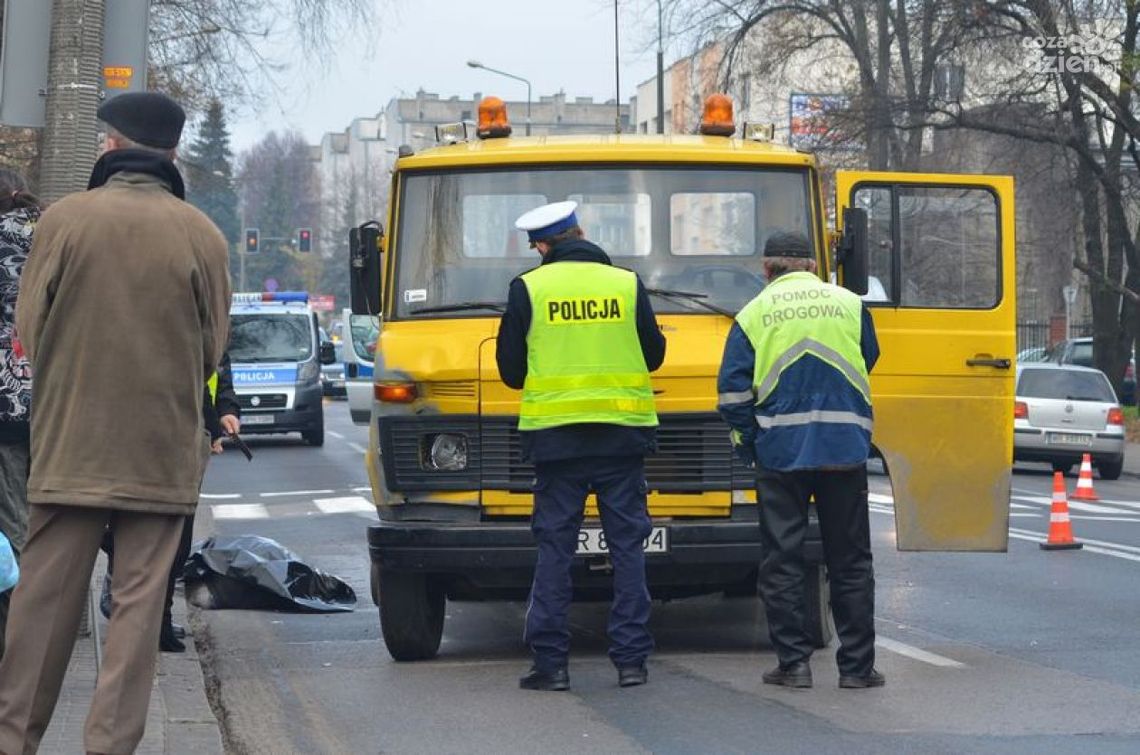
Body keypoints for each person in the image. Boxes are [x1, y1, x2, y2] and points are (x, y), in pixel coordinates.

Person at [0, 92, 231, 753]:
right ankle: (108, 746)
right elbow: (214, 344)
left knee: (44, 603)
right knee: (135, 609)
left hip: (71, 438)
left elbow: (29, 329)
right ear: (172, 154)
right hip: (161, 450)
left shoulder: (65, 221)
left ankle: (14, 737)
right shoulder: (202, 235)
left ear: (110, 145)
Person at [496, 201, 666, 691]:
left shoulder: (529, 288)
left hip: (557, 442)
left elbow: (511, 371)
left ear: (543, 246)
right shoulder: (625, 283)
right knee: (628, 551)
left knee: (554, 551)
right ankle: (631, 663)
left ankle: (551, 666)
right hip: (622, 437)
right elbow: (653, 354)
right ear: (582, 233)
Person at [716, 231, 883, 690]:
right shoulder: (850, 304)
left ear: (767, 270)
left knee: (783, 560)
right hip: (843, 450)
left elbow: (732, 393)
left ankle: (794, 664)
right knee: (850, 561)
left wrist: (749, 442)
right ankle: (857, 669)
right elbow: (868, 357)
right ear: (812, 266)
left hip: (780, 454)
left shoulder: (752, 315)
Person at [99, 352, 242, 653]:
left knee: (176, 537)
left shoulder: (213, 318)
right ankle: (139, 611)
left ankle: (155, 618)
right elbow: (186, 374)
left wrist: (226, 410)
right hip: (154, 432)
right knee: (148, 528)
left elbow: (217, 370)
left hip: (189, 436)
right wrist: (213, 424)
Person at [0, 169, 41, 662]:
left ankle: (22, 637)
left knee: (12, 524)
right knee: (39, 518)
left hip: (7, 406)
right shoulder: (53, 238)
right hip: (57, 402)